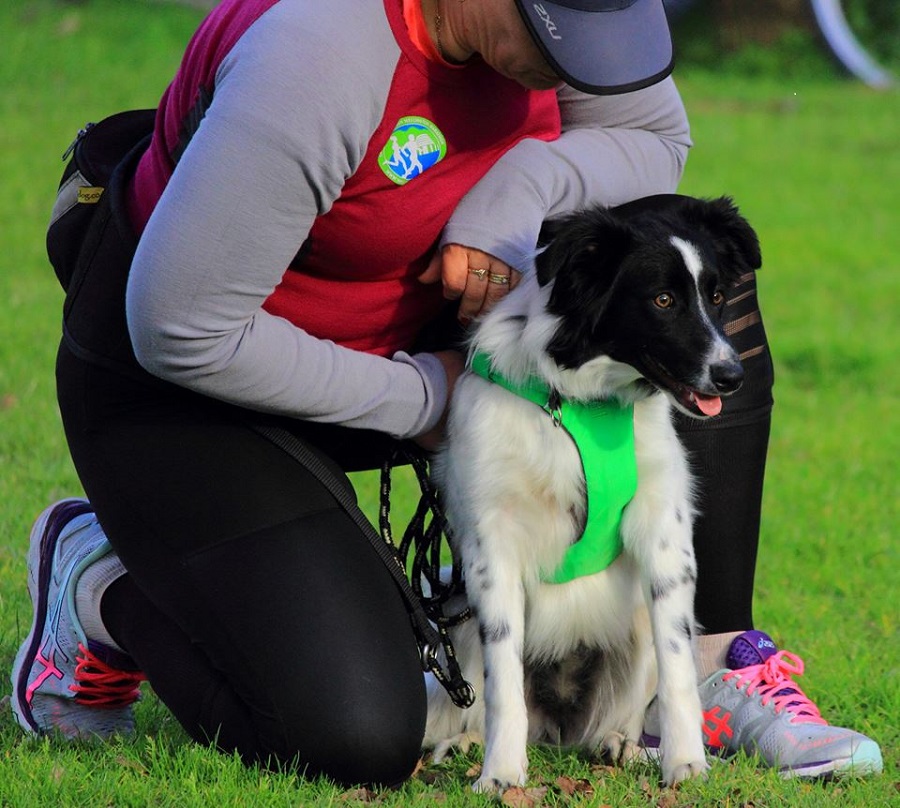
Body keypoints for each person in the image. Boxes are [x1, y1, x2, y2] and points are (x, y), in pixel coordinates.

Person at [11, 0, 881, 788]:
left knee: (689, 276)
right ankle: (101, 583)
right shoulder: (321, 56)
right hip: (202, 388)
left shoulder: (573, 35)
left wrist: (515, 194)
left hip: (426, 356)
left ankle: (704, 661)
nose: (582, 67)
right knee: (353, 732)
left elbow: (654, 135)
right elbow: (181, 326)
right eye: (559, 39)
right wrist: (432, 399)